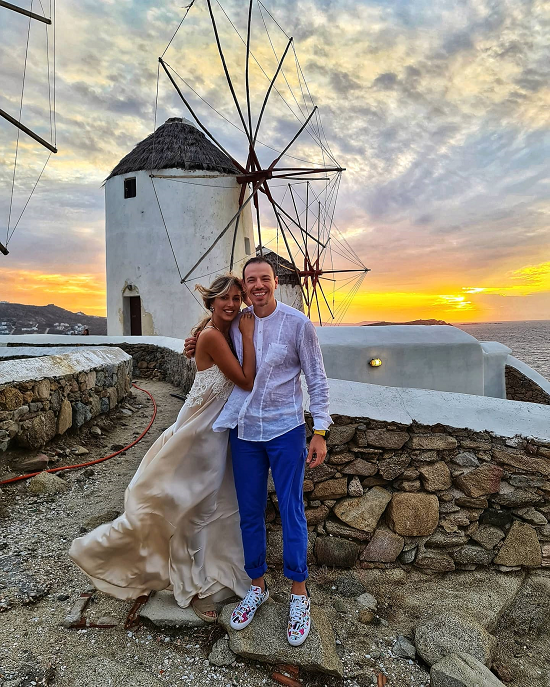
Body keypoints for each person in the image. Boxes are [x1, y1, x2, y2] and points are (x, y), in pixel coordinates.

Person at [69, 274, 256, 622]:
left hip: (214, 430)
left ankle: (204, 572)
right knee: (195, 508)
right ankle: (192, 585)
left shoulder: (218, 332)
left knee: (211, 504)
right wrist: (246, 334)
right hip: (201, 434)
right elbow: (245, 379)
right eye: (225, 298)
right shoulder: (213, 336)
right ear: (211, 302)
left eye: (237, 298)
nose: (232, 304)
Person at [184, 256, 331, 646]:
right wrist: (192, 343)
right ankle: (257, 586)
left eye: (264, 278)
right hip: (245, 432)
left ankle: (299, 594)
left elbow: (316, 378)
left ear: (275, 281)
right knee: (249, 513)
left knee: (291, 510)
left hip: (286, 430)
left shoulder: (298, 323)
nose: (258, 285)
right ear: (246, 286)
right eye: (251, 280)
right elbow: (211, 332)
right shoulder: (237, 322)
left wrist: (320, 431)